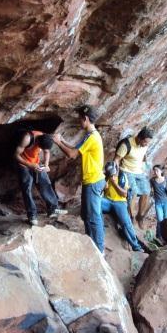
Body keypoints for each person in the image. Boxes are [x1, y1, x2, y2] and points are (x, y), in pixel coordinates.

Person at [53, 105, 105, 252]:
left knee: (94, 218)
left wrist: (57, 142)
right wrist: (62, 140)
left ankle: (99, 250)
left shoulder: (92, 137)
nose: (79, 121)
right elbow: (77, 149)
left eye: (80, 119)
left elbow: (72, 154)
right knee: (87, 215)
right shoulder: (91, 135)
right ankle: (91, 244)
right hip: (92, 180)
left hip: (93, 181)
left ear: (86, 119)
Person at [15, 130, 67, 225]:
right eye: (40, 147)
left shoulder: (46, 138)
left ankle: (52, 209)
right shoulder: (27, 138)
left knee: (45, 182)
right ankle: (32, 216)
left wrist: (46, 165)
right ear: (38, 142)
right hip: (24, 164)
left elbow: (46, 152)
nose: (40, 149)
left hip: (36, 163)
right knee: (27, 187)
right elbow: (16, 155)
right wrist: (30, 165)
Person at [114, 127, 154, 228]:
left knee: (146, 192)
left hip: (139, 171)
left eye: (148, 143)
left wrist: (145, 165)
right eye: (145, 142)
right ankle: (131, 217)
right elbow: (117, 160)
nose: (146, 144)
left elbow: (143, 155)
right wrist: (116, 174)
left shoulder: (145, 145)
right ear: (139, 138)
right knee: (133, 192)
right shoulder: (126, 144)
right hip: (126, 170)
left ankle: (140, 216)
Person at [101, 162, 144, 252]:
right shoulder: (107, 176)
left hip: (119, 202)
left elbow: (124, 194)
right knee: (94, 202)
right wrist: (103, 182)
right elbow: (102, 189)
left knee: (126, 223)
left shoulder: (121, 176)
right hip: (107, 201)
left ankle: (136, 246)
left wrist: (114, 183)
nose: (112, 174)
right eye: (109, 173)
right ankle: (101, 227)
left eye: (112, 172)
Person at [150, 165, 167, 242]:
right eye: (154, 170)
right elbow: (151, 191)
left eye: (157, 170)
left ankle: (166, 237)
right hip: (158, 203)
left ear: (161, 171)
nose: (155, 172)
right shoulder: (152, 180)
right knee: (159, 220)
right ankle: (159, 236)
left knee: (166, 219)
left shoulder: (166, 179)